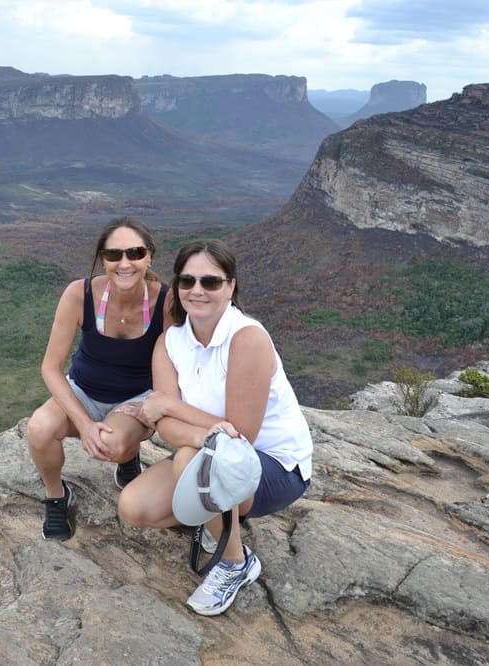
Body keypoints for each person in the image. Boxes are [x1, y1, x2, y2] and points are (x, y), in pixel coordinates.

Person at [117, 238, 313, 616]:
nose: (197, 290)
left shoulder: (247, 339)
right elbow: (165, 427)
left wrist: (171, 407)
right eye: (187, 281)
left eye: (211, 282)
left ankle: (235, 562)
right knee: (134, 507)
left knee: (193, 459)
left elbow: (241, 435)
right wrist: (197, 432)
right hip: (207, 455)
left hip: (273, 466)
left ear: (231, 286)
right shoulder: (170, 343)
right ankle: (215, 515)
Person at [27, 217, 172, 541]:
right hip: (84, 390)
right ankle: (55, 496)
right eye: (113, 255)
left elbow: (182, 360)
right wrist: (84, 422)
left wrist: (156, 403)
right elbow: (51, 366)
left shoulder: (166, 301)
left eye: (134, 253)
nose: (124, 263)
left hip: (136, 398)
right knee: (39, 428)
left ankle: (129, 454)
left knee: (114, 446)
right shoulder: (80, 295)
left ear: (149, 256)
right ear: (101, 259)